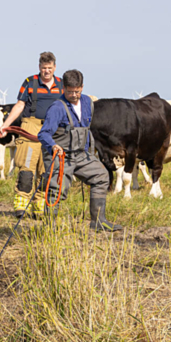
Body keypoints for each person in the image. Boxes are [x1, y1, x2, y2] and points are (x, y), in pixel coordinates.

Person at [37, 69, 120, 232]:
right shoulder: (57, 108)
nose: (74, 95)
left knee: (101, 176)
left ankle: (98, 221)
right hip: (61, 156)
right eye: (70, 92)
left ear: (82, 87)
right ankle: (49, 229)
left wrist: (89, 152)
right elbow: (43, 133)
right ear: (63, 88)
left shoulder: (88, 103)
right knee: (56, 190)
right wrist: (53, 146)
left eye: (77, 91)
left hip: (81, 154)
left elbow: (86, 129)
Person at [0, 51, 64, 217]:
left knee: (46, 170)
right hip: (31, 127)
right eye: (43, 68)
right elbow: (20, 105)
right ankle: (21, 204)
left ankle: (39, 205)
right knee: (27, 168)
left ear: (55, 67)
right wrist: (5, 125)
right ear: (39, 67)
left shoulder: (62, 85)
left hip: (52, 131)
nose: (46, 71)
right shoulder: (30, 82)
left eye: (49, 68)